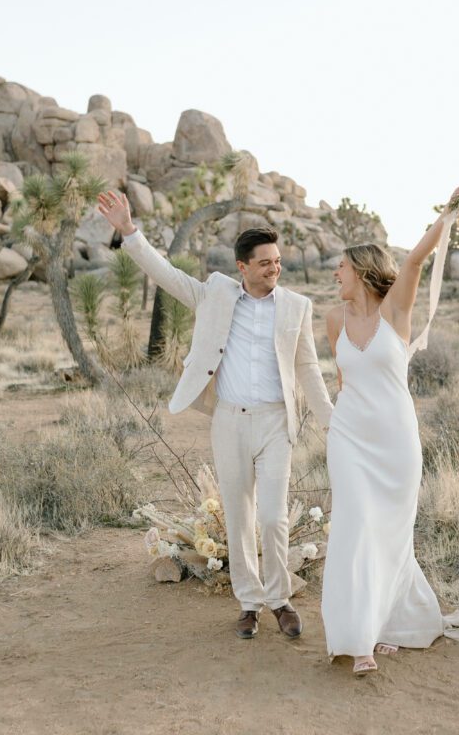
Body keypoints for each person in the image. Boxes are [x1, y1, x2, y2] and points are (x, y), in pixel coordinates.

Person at [97, 191, 333, 640]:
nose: (274, 269)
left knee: (272, 518)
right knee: (239, 515)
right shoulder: (216, 294)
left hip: (275, 422)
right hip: (229, 419)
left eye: (278, 261)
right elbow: (166, 275)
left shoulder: (296, 307)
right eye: (265, 263)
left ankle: (280, 599)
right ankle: (248, 603)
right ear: (242, 267)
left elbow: (308, 369)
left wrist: (332, 423)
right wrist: (129, 231)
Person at [321, 187, 459, 674]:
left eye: (340, 267)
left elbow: (417, 259)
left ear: (361, 270)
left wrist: (451, 211)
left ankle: (387, 624)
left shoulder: (395, 312)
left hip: (395, 442)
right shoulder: (333, 320)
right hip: (350, 439)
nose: (334, 275)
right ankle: (357, 640)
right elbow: (344, 381)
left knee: (391, 536)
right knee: (355, 527)